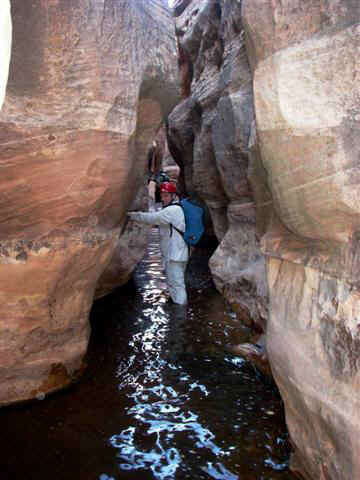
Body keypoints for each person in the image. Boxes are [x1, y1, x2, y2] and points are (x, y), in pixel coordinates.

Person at [128, 182, 188, 305]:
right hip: (176, 253)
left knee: (177, 284)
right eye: (162, 195)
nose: (163, 198)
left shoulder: (172, 210)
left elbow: (153, 218)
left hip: (175, 254)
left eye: (166, 195)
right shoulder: (174, 208)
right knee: (173, 282)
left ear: (173, 196)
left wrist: (131, 215)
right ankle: (175, 304)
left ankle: (181, 313)